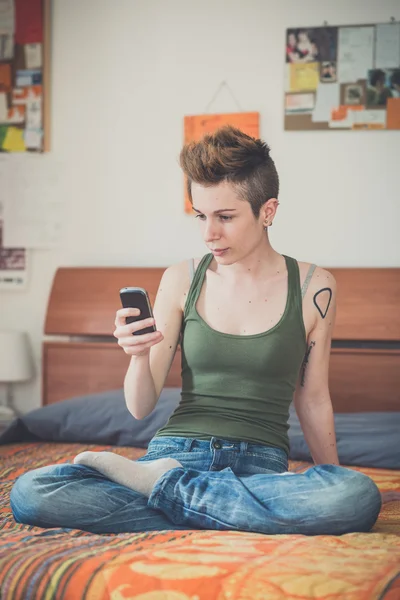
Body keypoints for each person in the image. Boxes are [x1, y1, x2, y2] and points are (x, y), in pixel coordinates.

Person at [10, 126, 382, 536]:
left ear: (268, 211)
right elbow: (139, 407)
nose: (209, 234)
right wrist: (136, 355)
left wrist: (331, 480)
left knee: (355, 495)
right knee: (31, 491)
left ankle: (164, 490)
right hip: (179, 452)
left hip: (259, 466)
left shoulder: (315, 286)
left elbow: (313, 400)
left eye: (225, 217)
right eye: (201, 216)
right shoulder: (181, 278)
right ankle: (218, 504)